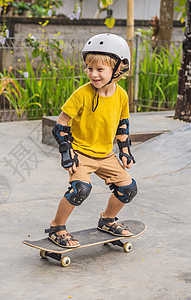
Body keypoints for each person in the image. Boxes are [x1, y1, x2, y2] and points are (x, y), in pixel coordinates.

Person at [46, 33, 138, 248]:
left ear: (118, 70)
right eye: (90, 69)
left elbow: (122, 125)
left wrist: (125, 151)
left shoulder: (121, 95)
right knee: (80, 190)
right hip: (81, 153)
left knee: (128, 188)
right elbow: (60, 126)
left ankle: (107, 220)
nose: (93, 74)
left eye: (100, 69)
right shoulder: (81, 94)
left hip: (106, 154)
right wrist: (67, 153)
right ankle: (57, 227)